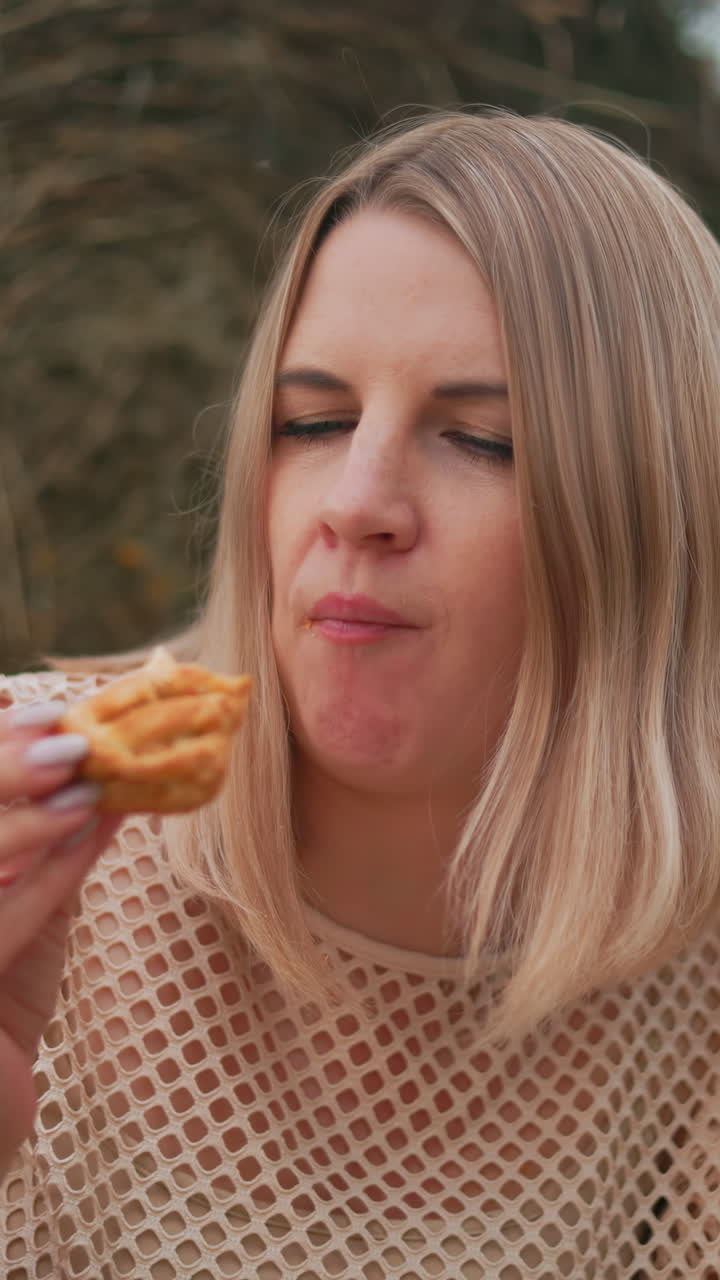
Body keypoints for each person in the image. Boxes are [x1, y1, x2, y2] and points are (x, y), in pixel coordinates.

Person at [1, 107, 720, 1278]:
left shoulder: (693, 1006)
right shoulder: (21, 818)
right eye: (314, 422)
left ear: (649, 530)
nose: (356, 497)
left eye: (481, 438)